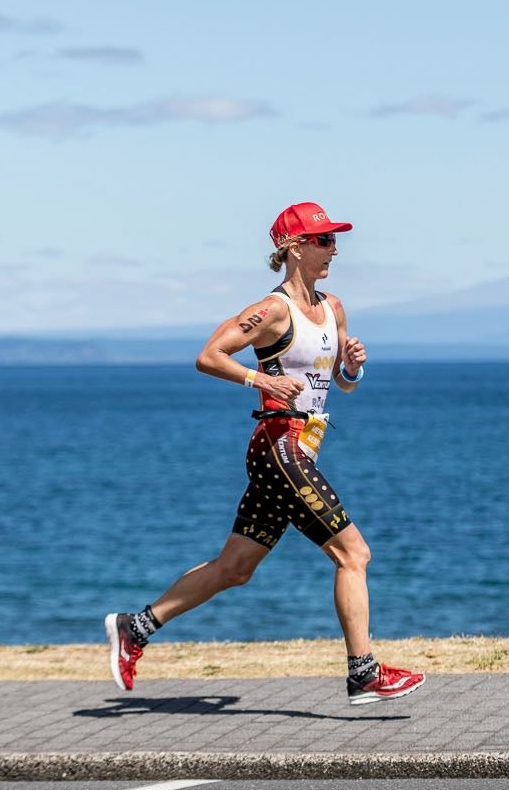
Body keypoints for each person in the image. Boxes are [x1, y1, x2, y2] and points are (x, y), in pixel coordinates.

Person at [104, 201, 425, 705]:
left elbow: (340, 385)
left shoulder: (333, 307)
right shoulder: (273, 311)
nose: (333, 249)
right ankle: (363, 673)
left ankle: (135, 627)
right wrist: (263, 380)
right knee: (354, 554)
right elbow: (208, 356)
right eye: (323, 240)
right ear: (293, 248)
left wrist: (355, 367)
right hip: (279, 447)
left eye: (335, 240)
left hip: (304, 448)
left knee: (235, 568)